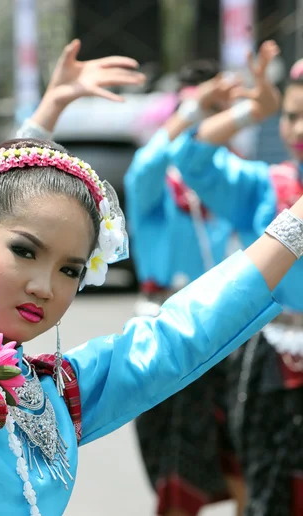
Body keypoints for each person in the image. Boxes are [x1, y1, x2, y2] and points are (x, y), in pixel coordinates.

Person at [0, 32, 303, 516]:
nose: (45, 285)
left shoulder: (58, 394)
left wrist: (297, 222)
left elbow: (179, 338)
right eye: (25, 252)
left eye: (70, 269)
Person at [169, 41, 303, 516]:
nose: (298, 128)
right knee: (265, 492)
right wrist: (254, 109)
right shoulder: (265, 186)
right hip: (269, 356)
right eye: (289, 115)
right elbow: (190, 159)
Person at [124, 64, 246, 515]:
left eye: (219, 113)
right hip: (171, 331)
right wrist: (193, 108)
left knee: (244, 458)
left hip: (234, 333)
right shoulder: (157, 187)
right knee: (176, 470)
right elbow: (143, 168)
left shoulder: (238, 180)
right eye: (199, 113)